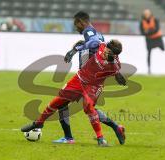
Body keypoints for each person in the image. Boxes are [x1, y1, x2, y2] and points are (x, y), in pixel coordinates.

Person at [21, 40, 123, 146]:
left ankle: (100, 138)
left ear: (114, 55)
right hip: (79, 79)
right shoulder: (100, 45)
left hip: (93, 86)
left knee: (88, 107)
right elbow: (86, 43)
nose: (106, 53)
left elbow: (116, 70)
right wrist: (73, 51)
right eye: (107, 50)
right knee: (56, 102)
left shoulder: (115, 65)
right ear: (106, 47)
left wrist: (115, 71)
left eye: (110, 53)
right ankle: (38, 123)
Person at [54, 11, 126, 145]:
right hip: (94, 79)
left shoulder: (89, 32)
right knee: (90, 109)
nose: (76, 27)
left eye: (76, 24)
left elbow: (93, 46)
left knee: (62, 103)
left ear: (81, 22)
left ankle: (69, 137)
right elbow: (105, 54)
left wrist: (75, 50)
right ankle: (117, 128)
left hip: (87, 79)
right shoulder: (98, 34)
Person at [140, 9, 165, 74]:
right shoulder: (142, 22)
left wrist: (148, 32)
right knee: (149, 53)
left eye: (148, 14)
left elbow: (157, 29)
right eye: (145, 14)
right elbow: (142, 32)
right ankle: (149, 68)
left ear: (150, 14)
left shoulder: (155, 20)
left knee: (163, 49)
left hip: (157, 38)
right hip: (149, 40)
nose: (147, 15)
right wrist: (150, 31)